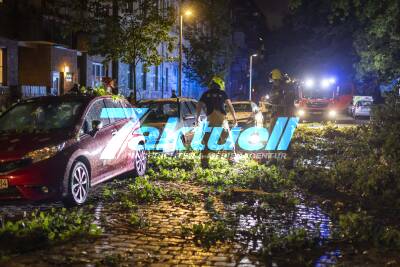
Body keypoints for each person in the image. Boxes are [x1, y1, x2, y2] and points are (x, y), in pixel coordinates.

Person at [195, 76, 238, 168]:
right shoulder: (222, 93)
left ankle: (204, 162)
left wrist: (197, 118)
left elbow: (199, 105)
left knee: (206, 141)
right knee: (227, 139)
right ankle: (232, 159)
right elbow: (229, 105)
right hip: (221, 119)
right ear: (220, 84)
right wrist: (235, 118)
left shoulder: (206, 93)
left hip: (210, 119)